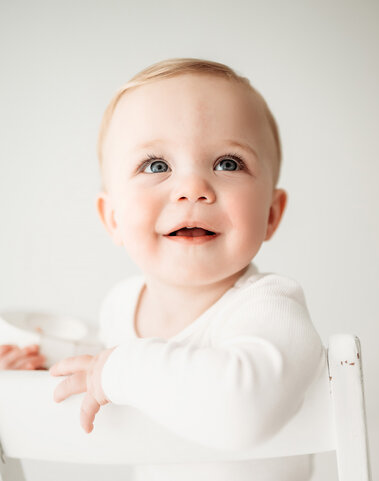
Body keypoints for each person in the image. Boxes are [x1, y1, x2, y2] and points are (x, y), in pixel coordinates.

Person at [49, 57, 325, 481]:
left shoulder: (272, 309)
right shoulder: (120, 306)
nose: (193, 189)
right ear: (113, 218)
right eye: (156, 165)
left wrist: (118, 371)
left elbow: (245, 410)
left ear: (271, 213)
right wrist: (41, 369)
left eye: (228, 163)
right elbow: (100, 376)